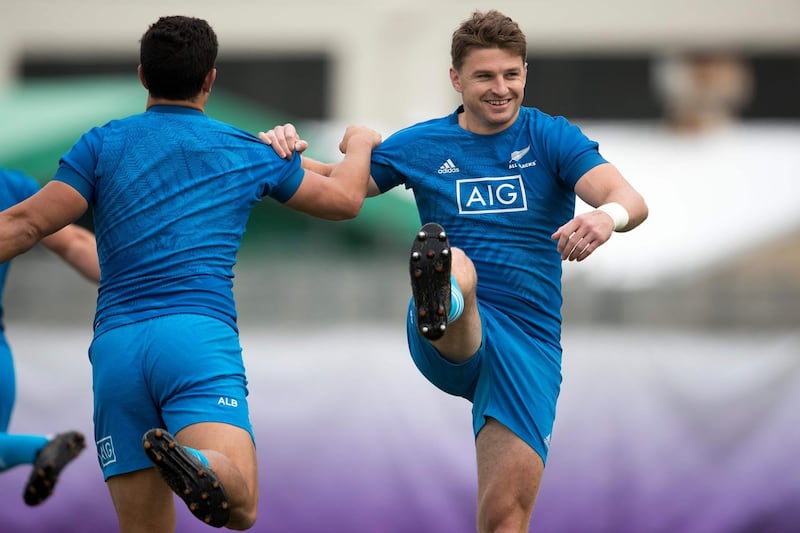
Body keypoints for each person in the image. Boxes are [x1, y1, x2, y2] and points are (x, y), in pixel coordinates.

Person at [261, 9, 648, 532]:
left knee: (505, 517)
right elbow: (336, 182)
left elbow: (629, 199)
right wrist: (274, 156)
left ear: (525, 74)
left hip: (529, 343)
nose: (500, 89)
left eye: (511, 75)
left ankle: (447, 291)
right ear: (456, 78)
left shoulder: (551, 138)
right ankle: (441, 297)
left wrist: (606, 217)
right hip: (447, 330)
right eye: (485, 76)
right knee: (455, 264)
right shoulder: (424, 144)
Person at [0, 16, 380, 533]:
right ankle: (198, 464)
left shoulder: (101, 144)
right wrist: (357, 142)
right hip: (194, 336)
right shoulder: (244, 149)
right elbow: (345, 199)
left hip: (116, 349)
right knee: (239, 504)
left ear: (142, 76)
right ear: (210, 80)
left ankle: (190, 465)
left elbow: (22, 226)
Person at [0, 168, 99, 506]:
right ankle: (38, 448)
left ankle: (37, 447)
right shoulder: (13, 185)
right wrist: (147, 280)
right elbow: (74, 243)